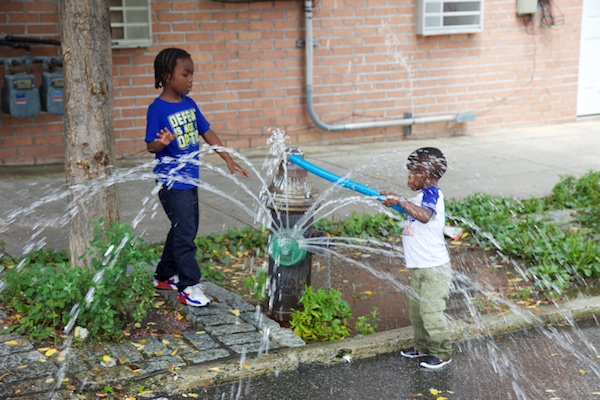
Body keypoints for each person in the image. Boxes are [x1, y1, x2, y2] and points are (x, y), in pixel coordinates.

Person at [145, 47, 249, 307]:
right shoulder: (156, 109)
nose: (191, 79)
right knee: (186, 231)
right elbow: (150, 145)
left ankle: (164, 275)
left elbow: (207, 131)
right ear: (167, 76)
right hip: (171, 182)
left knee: (183, 228)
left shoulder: (189, 104)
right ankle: (188, 285)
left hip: (190, 179)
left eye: (192, 74)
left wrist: (227, 157)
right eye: (186, 74)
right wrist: (163, 142)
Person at [381, 147, 453, 370]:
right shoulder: (420, 196)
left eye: (411, 173)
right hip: (421, 267)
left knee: (431, 312)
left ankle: (441, 352)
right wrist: (392, 200)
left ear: (424, 173)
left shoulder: (432, 194)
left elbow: (423, 216)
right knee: (417, 311)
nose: (408, 178)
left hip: (435, 269)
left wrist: (401, 201)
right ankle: (422, 347)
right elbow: (412, 210)